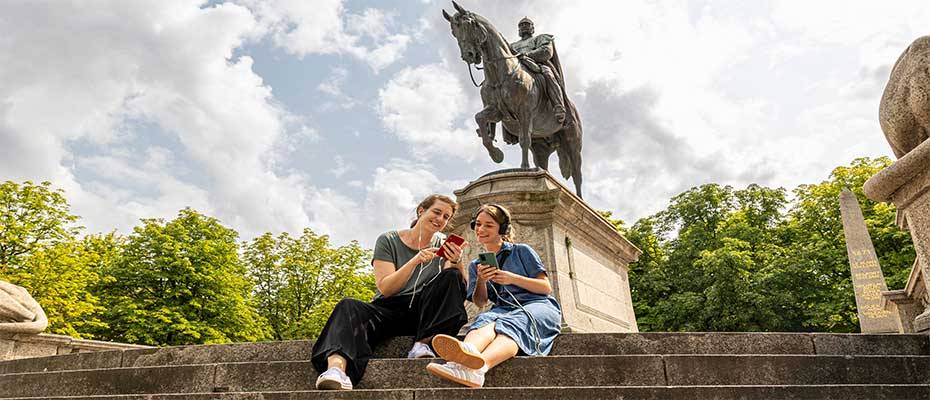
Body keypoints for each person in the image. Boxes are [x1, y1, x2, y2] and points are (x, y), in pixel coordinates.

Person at [312, 194, 469, 390]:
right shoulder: (388, 240)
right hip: (389, 308)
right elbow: (386, 288)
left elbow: (454, 286)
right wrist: (414, 261)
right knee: (348, 305)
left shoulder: (444, 243)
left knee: (452, 276)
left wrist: (457, 261)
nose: (440, 219)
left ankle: (423, 344)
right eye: (436, 212)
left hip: (423, 314)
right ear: (422, 210)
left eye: (446, 217)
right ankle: (336, 370)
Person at [425, 204, 562, 388]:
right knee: (485, 319)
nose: (481, 230)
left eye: (489, 225)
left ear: (502, 229)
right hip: (503, 309)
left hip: (538, 305)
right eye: (478, 224)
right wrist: (481, 280)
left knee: (514, 323)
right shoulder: (476, 264)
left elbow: (545, 288)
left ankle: (479, 370)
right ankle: (461, 359)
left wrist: (511, 278)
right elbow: (480, 302)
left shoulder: (522, 251)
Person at [510, 17, 569, 124]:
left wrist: (527, 55)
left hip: (537, 64)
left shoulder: (540, 38)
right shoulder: (512, 45)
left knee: (548, 74)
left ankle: (558, 105)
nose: (523, 26)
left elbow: (546, 51)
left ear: (532, 28)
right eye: (521, 25)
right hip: (515, 68)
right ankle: (490, 125)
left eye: (527, 24)